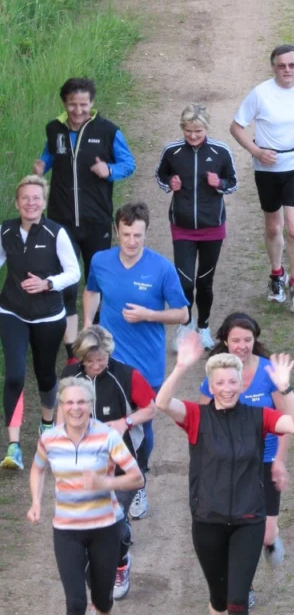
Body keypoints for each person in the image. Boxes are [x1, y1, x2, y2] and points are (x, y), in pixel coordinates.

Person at [155, 330, 294, 615]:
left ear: (242, 383)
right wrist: (181, 367)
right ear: (210, 385)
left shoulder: (259, 417)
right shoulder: (195, 416)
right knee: (219, 599)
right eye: (220, 382)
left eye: (233, 381)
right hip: (207, 521)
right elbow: (161, 403)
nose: (227, 388)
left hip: (248, 520)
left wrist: (285, 389)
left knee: (239, 602)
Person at [27, 377, 144, 615]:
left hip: (104, 528)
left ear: (90, 405)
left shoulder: (107, 436)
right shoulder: (49, 439)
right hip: (66, 530)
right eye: (69, 403)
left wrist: (105, 484)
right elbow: (38, 469)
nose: (76, 408)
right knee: (76, 600)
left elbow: (136, 476)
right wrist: (36, 502)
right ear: (61, 406)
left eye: (82, 402)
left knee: (103, 598)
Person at [83, 201, 188, 519]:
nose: (132, 241)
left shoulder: (161, 268)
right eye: (126, 234)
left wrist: (149, 315)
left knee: (142, 424)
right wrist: (89, 325)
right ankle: (106, 485)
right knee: (105, 421)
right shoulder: (101, 261)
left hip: (147, 365)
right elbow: (91, 291)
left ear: (146, 233)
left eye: (138, 235)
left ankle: (138, 482)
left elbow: (183, 313)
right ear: (117, 231)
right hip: (110, 362)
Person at [33, 76, 136, 360]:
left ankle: (99, 342)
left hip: (96, 220)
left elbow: (129, 163)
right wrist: (42, 165)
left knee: (98, 280)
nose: (78, 111)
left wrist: (110, 171)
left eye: (83, 104)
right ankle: (71, 350)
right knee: (66, 281)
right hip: (61, 220)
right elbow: (50, 155)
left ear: (92, 103)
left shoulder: (107, 131)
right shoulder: (54, 129)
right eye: (72, 105)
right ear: (64, 104)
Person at [61, 325, 156, 599]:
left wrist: (125, 422)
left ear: (109, 355)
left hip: (121, 464)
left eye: (100, 361)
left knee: (115, 521)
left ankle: (120, 563)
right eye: (89, 362)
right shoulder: (70, 374)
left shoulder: (126, 376)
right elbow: (61, 411)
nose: (94, 366)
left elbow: (151, 407)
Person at [230, 44, 294, 313]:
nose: (287, 70)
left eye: (292, 65)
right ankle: (275, 275)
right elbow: (236, 127)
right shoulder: (260, 94)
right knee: (273, 228)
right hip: (268, 168)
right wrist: (257, 151)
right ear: (273, 67)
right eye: (281, 65)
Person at [0, 176, 80, 471]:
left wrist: (48, 283)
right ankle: (13, 447)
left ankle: (47, 426)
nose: (31, 203)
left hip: (48, 316)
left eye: (36, 198)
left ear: (43, 202)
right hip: (11, 312)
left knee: (45, 375)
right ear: (17, 201)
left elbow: (74, 272)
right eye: (25, 198)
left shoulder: (55, 232)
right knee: (15, 376)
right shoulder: (5, 230)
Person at [198, 312, 289, 572]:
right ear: (225, 342)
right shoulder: (216, 376)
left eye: (247, 339)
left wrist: (280, 461)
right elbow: (203, 424)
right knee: (232, 527)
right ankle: (240, 584)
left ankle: (270, 541)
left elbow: (286, 421)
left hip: (266, 459)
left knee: (267, 533)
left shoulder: (268, 371)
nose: (242, 346)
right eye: (235, 340)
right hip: (231, 464)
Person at [155, 103, 237, 352]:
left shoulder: (220, 151)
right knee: (184, 282)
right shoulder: (172, 151)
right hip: (182, 227)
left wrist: (219, 183)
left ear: (206, 129)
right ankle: (185, 326)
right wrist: (171, 183)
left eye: (198, 131)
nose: (193, 136)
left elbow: (233, 183)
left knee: (205, 282)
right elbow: (160, 176)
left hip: (212, 226)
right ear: (183, 128)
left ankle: (203, 328)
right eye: (189, 130)